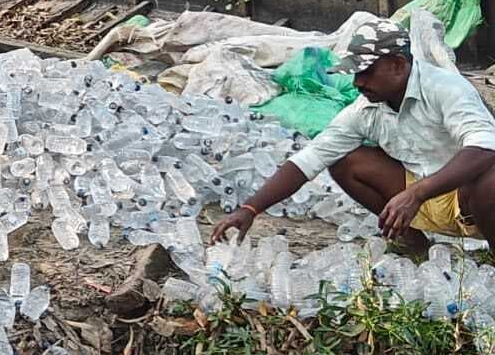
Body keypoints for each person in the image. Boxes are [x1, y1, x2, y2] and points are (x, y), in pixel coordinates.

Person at [210, 20, 495, 251]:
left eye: (367, 72)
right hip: (419, 197)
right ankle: (414, 246)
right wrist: (250, 208)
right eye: (355, 74)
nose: (358, 83)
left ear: (397, 65)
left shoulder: (445, 88)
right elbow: (310, 158)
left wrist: (417, 193)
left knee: (490, 180)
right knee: (347, 162)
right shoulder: (365, 109)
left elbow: (485, 147)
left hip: (468, 198)